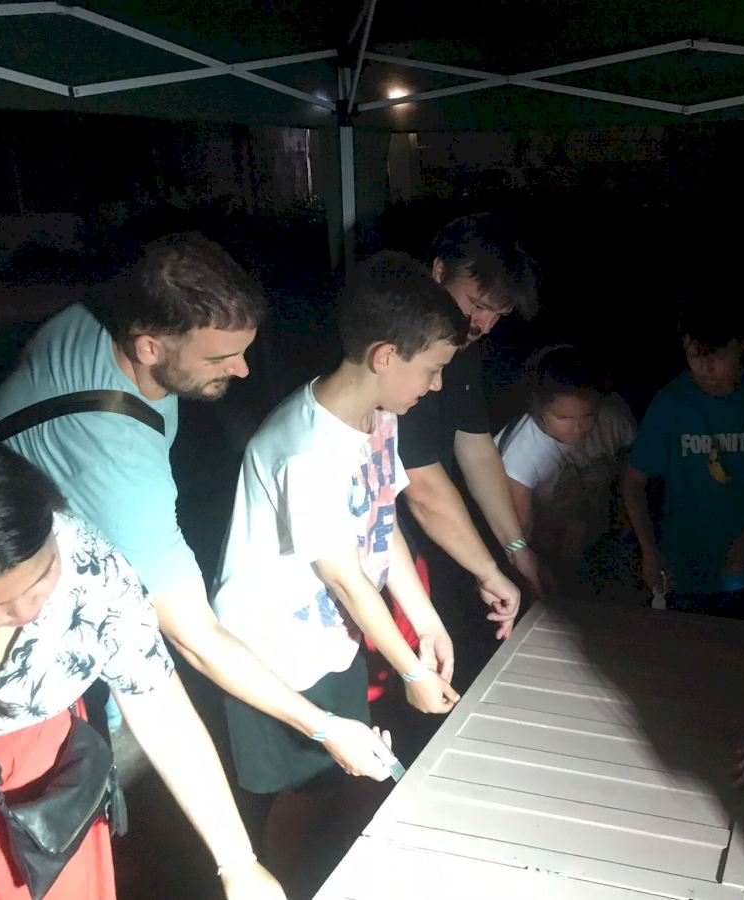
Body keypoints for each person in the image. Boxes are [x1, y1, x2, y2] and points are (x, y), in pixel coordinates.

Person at [0, 235, 386, 798]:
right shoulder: (120, 471)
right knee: (81, 761)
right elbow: (197, 637)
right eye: (219, 358)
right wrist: (325, 726)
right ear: (148, 346)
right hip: (21, 577)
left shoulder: (107, 310)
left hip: (19, 475)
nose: (243, 370)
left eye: (242, 350)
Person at [212, 251, 464, 877]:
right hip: (275, 650)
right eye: (432, 370)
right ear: (386, 356)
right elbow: (345, 579)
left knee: (344, 774)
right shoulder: (307, 449)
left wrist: (427, 622)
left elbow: (381, 523)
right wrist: (410, 670)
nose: (436, 386)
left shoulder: (378, 416)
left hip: (331, 640)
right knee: (300, 794)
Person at [0, 438, 285, 900]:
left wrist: (238, 862)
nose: (28, 612)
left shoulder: (85, 559)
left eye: (42, 577)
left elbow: (157, 703)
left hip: (53, 785)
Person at [395, 213, 544, 648]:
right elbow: (421, 485)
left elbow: (476, 447)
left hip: (422, 531)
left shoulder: (462, 342)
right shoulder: (400, 344)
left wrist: (517, 549)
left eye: (498, 315)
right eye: (477, 305)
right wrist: (489, 569)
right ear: (439, 271)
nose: (484, 325)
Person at [621, 301, 744, 621]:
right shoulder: (670, 403)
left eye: (718, 356)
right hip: (684, 565)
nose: (706, 368)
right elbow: (634, 482)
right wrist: (649, 551)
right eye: (695, 356)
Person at [495, 345, 636, 595]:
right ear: (539, 409)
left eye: (587, 416)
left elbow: (633, 481)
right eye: (564, 419)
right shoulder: (521, 452)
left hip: (602, 535)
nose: (578, 428)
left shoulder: (614, 422)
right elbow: (518, 529)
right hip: (543, 545)